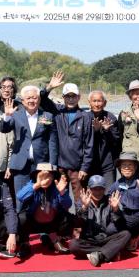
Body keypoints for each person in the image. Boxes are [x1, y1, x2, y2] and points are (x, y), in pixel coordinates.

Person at [41, 71, 95, 199]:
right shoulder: (56, 111)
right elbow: (41, 100)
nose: (71, 99)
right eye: (68, 96)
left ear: (79, 97)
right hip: (59, 167)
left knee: (80, 200)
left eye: (73, 96)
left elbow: (89, 144)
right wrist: (49, 87)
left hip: (77, 168)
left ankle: (80, 214)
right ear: (63, 97)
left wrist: (85, 167)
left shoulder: (86, 116)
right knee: (59, 200)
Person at [0, 87, 58, 200]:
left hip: (41, 164)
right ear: (22, 101)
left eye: (34, 98)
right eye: (28, 98)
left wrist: (53, 165)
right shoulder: (15, 115)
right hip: (21, 164)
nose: (31, 101)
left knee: (40, 199)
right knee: (21, 198)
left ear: (39, 100)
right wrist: (7, 116)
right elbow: (4, 129)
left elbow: (52, 142)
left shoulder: (47, 116)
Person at [106, 152, 139, 261]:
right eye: (124, 165)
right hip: (126, 218)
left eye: (130, 165)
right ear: (120, 168)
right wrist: (115, 208)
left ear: (135, 167)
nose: (126, 168)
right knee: (110, 229)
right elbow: (110, 201)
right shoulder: (117, 184)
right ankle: (129, 239)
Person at [69, 175, 131, 267]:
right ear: (89, 189)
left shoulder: (110, 201)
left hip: (107, 239)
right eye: (94, 189)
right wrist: (84, 207)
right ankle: (109, 252)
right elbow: (78, 224)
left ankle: (101, 255)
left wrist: (116, 210)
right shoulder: (81, 202)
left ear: (104, 189)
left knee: (126, 234)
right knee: (73, 245)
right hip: (89, 240)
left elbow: (121, 225)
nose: (97, 192)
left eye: (100, 189)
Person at [15, 163, 74, 259]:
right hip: (34, 222)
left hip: (51, 221)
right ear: (36, 176)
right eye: (42, 176)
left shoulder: (57, 186)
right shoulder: (32, 184)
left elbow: (68, 204)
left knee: (68, 217)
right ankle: (25, 244)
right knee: (21, 218)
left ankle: (55, 240)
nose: (45, 179)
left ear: (53, 177)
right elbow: (20, 196)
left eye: (48, 176)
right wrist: (37, 184)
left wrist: (62, 193)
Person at [86, 90, 120, 187]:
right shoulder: (85, 117)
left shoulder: (110, 118)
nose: (97, 104)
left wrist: (106, 130)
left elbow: (116, 141)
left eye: (99, 101)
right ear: (89, 102)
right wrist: (95, 131)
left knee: (109, 192)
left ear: (105, 103)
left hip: (107, 164)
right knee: (90, 192)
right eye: (94, 101)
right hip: (89, 164)